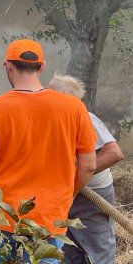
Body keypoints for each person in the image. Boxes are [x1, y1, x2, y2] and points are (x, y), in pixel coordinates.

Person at [0, 39, 97, 264]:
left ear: (8, 66)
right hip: (48, 215)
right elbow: (89, 165)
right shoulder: (74, 108)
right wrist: (65, 195)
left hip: (1, 213)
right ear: (42, 66)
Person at [48, 73, 124, 264]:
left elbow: (113, 153)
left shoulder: (86, 118)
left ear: (64, 97)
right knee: (70, 247)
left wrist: (77, 175)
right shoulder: (54, 119)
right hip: (67, 191)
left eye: (50, 92)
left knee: (99, 249)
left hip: (92, 194)